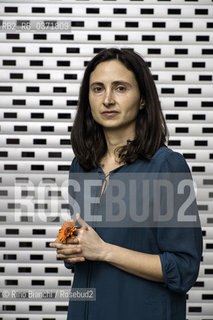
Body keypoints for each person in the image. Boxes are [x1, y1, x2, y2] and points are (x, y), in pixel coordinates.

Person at [50, 48, 202, 320]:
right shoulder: (81, 166)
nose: (107, 99)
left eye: (120, 88)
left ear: (143, 100)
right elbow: (82, 231)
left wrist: (105, 251)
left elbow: (184, 269)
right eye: (98, 89)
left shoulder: (167, 167)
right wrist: (68, 244)